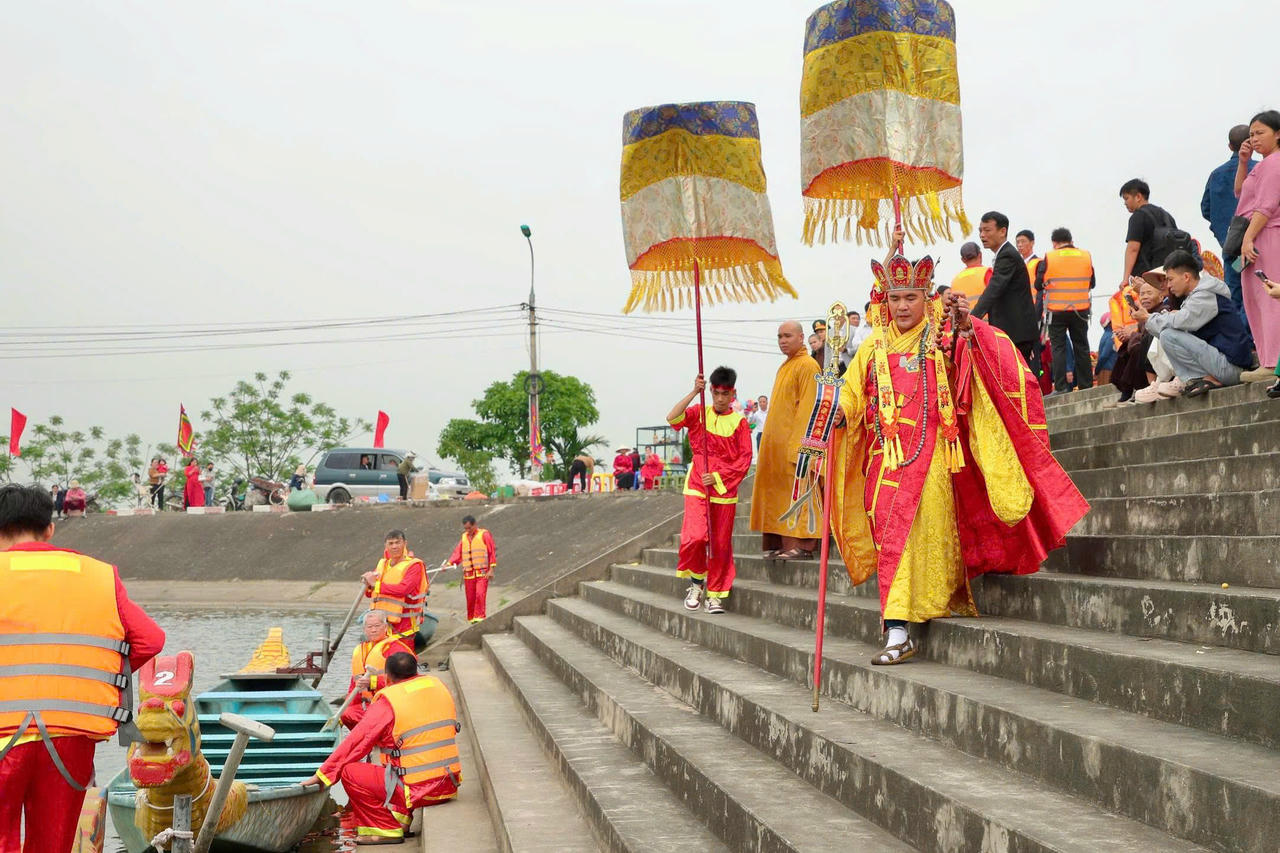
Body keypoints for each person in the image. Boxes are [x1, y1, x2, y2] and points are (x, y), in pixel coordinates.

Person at [829, 253, 1088, 664]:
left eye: (911, 297)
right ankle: (902, 619)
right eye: (895, 298)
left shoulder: (941, 338)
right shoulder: (873, 346)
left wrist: (969, 328)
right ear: (885, 299)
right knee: (889, 537)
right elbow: (851, 392)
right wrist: (838, 411)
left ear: (926, 297)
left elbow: (983, 365)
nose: (902, 306)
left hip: (931, 456)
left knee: (917, 534)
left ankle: (897, 628)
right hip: (884, 460)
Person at [0, 484, 165, 852]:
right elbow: (150, 640)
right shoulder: (98, 576)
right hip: (71, 733)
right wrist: (98, 677)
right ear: (49, 529)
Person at [301, 653, 460, 845]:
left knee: (350, 771)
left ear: (388, 676)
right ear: (415, 669)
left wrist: (325, 774)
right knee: (400, 758)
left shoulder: (389, 701)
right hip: (447, 784)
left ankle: (384, 829)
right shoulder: (438, 686)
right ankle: (401, 819)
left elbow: (358, 742)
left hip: (418, 791)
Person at [666, 368, 754, 614]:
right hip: (696, 486)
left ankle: (715, 595)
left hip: (723, 491)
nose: (720, 398)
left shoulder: (740, 423)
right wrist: (695, 391)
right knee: (694, 537)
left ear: (733, 393)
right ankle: (696, 583)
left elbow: (744, 460)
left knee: (720, 545)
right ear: (711, 391)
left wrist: (717, 477)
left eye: (725, 394)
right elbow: (672, 418)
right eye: (716, 393)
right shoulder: (699, 413)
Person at [1134, 249, 1252, 397]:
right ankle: (1196, 378)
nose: (1168, 285)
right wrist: (1150, 319)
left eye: (1170, 279)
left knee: (1169, 334)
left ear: (1186, 277)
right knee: (1166, 334)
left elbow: (1180, 322)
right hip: (1220, 364)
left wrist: (1147, 318)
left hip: (1231, 368)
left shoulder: (1206, 294)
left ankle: (1195, 378)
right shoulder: (1196, 295)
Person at [749, 321, 821, 561]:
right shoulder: (785, 367)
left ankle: (803, 546)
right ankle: (783, 543)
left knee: (800, 494)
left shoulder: (808, 365)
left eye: (787, 335)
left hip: (797, 446)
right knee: (779, 496)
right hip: (776, 448)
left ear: (801, 337)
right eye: (779, 336)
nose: (782, 340)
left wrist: (801, 448)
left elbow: (809, 410)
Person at [1236, 110, 1280, 381]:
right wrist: (1244, 162)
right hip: (1256, 235)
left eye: (1260, 132)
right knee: (1255, 299)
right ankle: (1267, 358)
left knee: (1269, 297)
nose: (1254, 138)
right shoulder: (1262, 164)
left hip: (1267, 235)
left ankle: (1273, 360)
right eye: (1251, 134)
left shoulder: (1275, 163)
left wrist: (1248, 237)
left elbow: (1266, 205)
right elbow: (1240, 193)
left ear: (1278, 134)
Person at [1203, 124, 1256, 335]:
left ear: (1229, 146)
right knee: (1258, 290)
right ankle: (1256, 345)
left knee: (1235, 294)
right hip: (1257, 243)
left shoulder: (1216, 175)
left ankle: (1240, 343)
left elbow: (1206, 209)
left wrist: (1222, 230)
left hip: (1230, 244)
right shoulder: (1260, 169)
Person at [1034, 227, 1096, 393]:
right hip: (1081, 309)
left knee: (1058, 347)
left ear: (1055, 243)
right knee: (1081, 346)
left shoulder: (1049, 257)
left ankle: (1061, 387)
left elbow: (1037, 284)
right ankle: (1086, 385)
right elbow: (1093, 282)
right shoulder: (1085, 256)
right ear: (1071, 240)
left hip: (1056, 310)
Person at [973, 212, 1039, 364]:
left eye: (987, 230)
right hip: (1012, 331)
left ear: (1002, 231)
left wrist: (972, 318)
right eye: (980, 231)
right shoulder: (1003, 254)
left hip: (1016, 332)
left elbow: (994, 288)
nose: (982, 235)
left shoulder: (1007, 255)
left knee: (1017, 380)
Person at [342, 610, 415, 730]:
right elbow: (354, 685)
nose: (373, 630)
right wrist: (344, 710)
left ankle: (373, 738)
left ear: (385, 627)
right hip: (370, 705)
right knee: (347, 714)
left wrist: (373, 682)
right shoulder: (360, 650)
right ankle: (367, 740)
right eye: (369, 627)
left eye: (377, 626)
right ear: (364, 629)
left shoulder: (395, 649)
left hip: (391, 705)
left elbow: (406, 681)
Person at [361, 530, 428, 641]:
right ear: (386, 546)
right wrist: (368, 583)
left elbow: (403, 589)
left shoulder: (414, 565)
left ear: (405, 543)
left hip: (404, 628)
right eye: (391, 543)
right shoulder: (382, 564)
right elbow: (370, 593)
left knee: (403, 657)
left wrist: (375, 584)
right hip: (383, 628)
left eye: (398, 542)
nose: (394, 546)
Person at [1119, 178, 1184, 284]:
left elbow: (1133, 249)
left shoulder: (1138, 216)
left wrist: (1125, 279)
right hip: (1169, 275)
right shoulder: (1166, 215)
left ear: (1138, 197)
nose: (1125, 203)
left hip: (1146, 277)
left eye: (1126, 198)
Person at [445, 516, 496, 624]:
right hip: (469, 574)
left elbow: (491, 552)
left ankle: (480, 618)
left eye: (469, 528)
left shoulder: (484, 535)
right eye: (465, 528)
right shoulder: (464, 537)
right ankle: (472, 620)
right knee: (470, 598)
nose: (467, 531)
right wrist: (448, 564)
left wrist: (491, 569)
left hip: (482, 573)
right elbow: (457, 553)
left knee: (480, 594)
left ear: (474, 525)